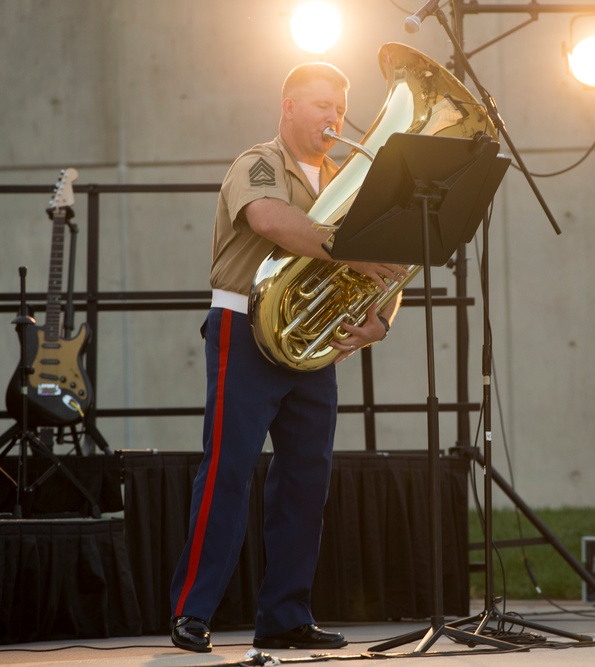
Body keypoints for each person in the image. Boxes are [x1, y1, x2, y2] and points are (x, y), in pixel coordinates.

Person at [168, 62, 408, 654]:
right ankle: (191, 612)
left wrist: (381, 320)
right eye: (322, 104)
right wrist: (350, 251)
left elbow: (384, 264)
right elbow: (270, 221)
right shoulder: (257, 163)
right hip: (243, 329)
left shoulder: (342, 176)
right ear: (289, 106)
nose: (334, 117)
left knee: (307, 480)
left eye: (339, 108)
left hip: (310, 340)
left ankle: (285, 615)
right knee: (228, 470)